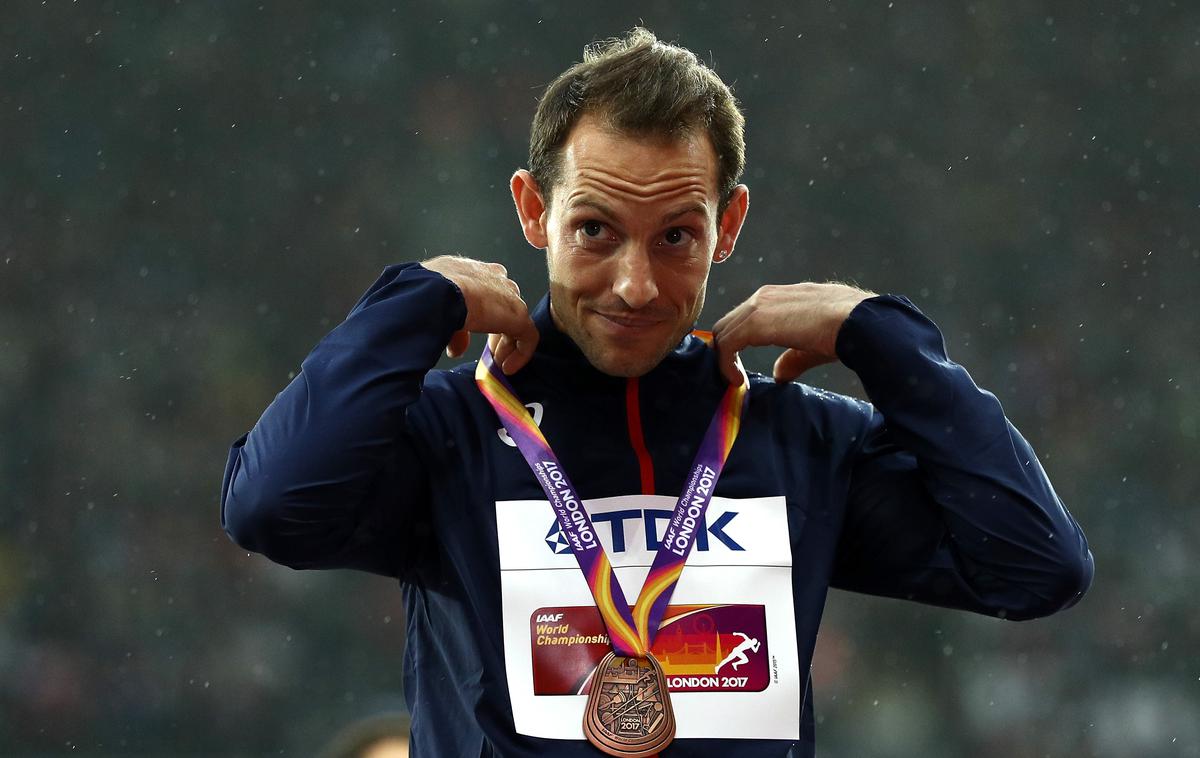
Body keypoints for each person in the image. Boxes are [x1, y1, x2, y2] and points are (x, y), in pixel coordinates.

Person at [220, 27, 1093, 757]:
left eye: (676, 235)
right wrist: (413, 304)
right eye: (594, 230)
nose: (635, 285)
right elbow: (269, 507)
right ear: (533, 213)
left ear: (730, 227)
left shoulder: (799, 443)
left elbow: (1037, 566)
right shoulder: (453, 433)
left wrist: (883, 337)